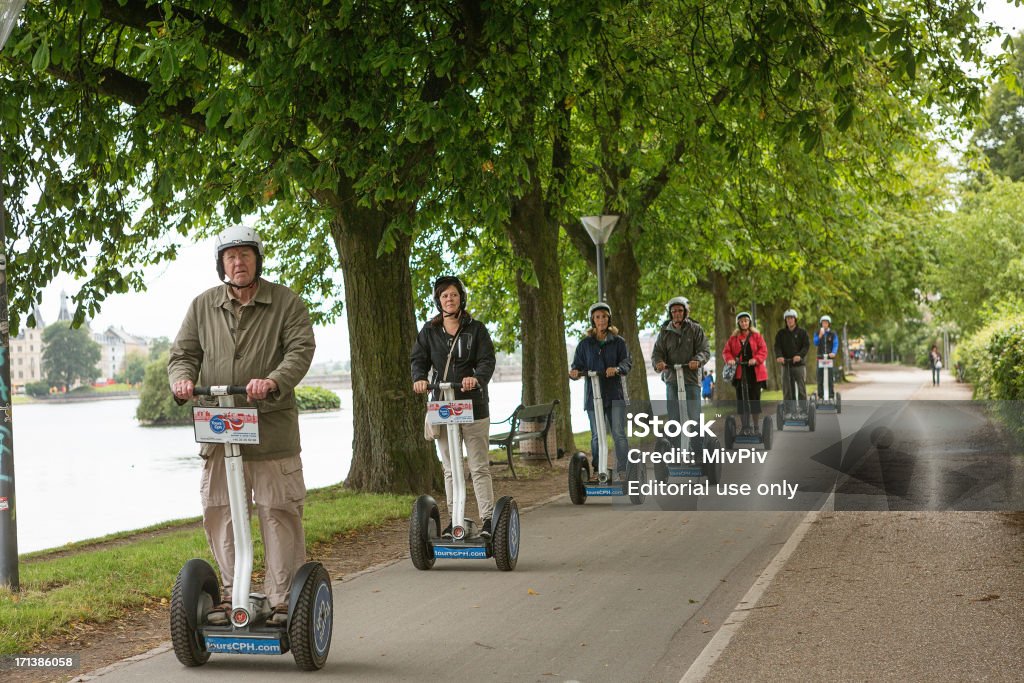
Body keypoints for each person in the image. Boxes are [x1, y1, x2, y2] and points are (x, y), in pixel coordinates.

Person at [168, 225, 316, 626]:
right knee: (220, 511)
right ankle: (237, 593)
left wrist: (273, 381)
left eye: (245, 255)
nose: (238, 263)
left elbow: (301, 349)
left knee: (278, 512)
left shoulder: (285, 303)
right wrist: (181, 381)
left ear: (257, 259)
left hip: (270, 431)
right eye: (230, 257)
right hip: (219, 432)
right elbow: (182, 354)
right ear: (221, 264)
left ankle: (283, 599)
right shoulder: (202, 306)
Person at [411, 275, 496, 539]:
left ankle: (488, 521)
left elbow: (487, 360)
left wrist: (477, 378)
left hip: (473, 404)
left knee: (478, 466)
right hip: (443, 404)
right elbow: (419, 359)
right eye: (444, 295)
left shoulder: (476, 329)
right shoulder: (429, 330)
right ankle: (454, 521)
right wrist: (420, 379)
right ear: (438, 300)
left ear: (461, 298)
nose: (449, 299)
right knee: (450, 467)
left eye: (454, 295)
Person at [569, 302, 632, 479]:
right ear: (592, 320)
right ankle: (599, 470)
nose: (601, 320)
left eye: (604, 316)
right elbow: (577, 366)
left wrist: (617, 369)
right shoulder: (585, 344)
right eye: (597, 317)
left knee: (618, 434)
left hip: (614, 394)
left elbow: (627, 362)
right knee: (597, 436)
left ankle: (622, 470)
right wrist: (574, 372)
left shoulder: (618, 342)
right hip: (593, 397)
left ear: (609, 318)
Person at [651, 296, 710, 450]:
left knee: (694, 417)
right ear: (670, 313)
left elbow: (705, 350)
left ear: (685, 312)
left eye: (680, 311)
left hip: (691, 379)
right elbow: (657, 353)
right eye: (674, 311)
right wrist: (659, 364)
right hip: (672, 379)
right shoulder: (665, 331)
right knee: (674, 418)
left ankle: (698, 451)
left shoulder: (695, 329)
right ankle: (676, 451)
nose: (677, 313)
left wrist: (697, 360)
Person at [723, 312, 768, 435]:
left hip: (754, 372)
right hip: (739, 372)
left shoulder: (756, 336)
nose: (744, 323)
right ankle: (744, 427)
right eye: (742, 321)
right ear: (738, 323)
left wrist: (756, 359)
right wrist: (730, 359)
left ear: (749, 322)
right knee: (741, 400)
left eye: (746, 321)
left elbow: (763, 350)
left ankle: (756, 427)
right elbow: (726, 352)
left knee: (754, 400)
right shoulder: (733, 338)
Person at [773, 309, 810, 415]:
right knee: (787, 389)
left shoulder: (802, 332)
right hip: (786, 364)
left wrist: (800, 355)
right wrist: (779, 356)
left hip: (799, 365)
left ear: (795, 319)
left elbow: (806, 346)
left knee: (801, 388)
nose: (789, 320)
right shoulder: (781, 333)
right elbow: (777, 346)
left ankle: (803, 411)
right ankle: (789, 411)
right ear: (785, 320)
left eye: (791, 318)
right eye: (787, 319)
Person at [813, 314, 839, 397]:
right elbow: (815, 342)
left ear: (829, 324)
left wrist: (833, 353)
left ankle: (831, 395)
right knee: (820, 377)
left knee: (830, 377)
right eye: (823, 323)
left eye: (826, 323)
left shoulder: (833, 333)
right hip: (820, 358)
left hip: (829, 358)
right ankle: (820, 395)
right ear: (821, 324)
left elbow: (835, 343)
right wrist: (820, 335)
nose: (824, 324)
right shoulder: (817, 333)